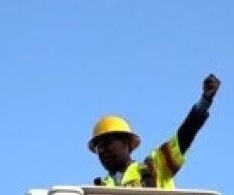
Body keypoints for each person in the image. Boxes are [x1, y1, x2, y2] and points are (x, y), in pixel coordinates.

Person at [88, 74, 221, 189]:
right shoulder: (99, 190)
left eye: (106, 143)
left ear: (127, 143)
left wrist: (204, 101)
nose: (102, 151)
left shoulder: (154, 168)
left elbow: (182, 139)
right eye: (98, 148)